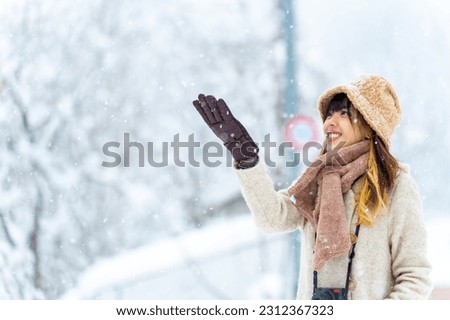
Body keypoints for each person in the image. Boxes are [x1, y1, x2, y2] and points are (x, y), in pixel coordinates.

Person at [192, 75, 432, 300]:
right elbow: (272, 218)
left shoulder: (396, 186)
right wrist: (246, 158)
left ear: (370, 124)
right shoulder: (318, 180)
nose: (330, 122)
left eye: (344, 113)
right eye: (329, 114)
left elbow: (415, 276)